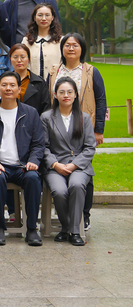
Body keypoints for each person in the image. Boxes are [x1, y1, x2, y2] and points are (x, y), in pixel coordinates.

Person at [48, 33, 107, 229]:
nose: (71, 48)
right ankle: (66, 215)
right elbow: (48, 99)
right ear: (62, 49)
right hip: (58, 125)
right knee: (61, 171)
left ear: (82, 48)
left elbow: (101, 100)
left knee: (84, 170)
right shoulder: (54, 71)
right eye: (67, 45)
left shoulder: (91, 71)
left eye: (75, 45)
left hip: (84, 126)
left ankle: (84, 214)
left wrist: (99, 130)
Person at [0, 71, 46, 246]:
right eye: (4, 85)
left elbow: (39, 144)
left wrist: (33, 161)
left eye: (12, 85)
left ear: (19, 89)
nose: (8, 89)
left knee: (33, 178)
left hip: (23, 166)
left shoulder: (31, 113)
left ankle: (31, 229)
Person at [41, 77, 96, 246]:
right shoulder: (46, 117)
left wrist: (74, 165)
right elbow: (43, 147)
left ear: (75, 95)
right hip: (55, 165)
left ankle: (74, 232)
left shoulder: (84, 118)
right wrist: (55, 164)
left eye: (70, 92)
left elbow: (90, 147)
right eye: (62, 92)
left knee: (77, 185)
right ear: (55, 95)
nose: (66, 95)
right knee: (59, 190)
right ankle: (66, 227)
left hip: (79, 165)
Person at [22, 3, 63, 79]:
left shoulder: (61, 41)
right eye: (40, 15)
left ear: (52, 17)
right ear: (34, 17)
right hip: (31, 83)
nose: (44, 18)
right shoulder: (26, 41)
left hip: (55, 83)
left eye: (47, 15)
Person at [9, 43, 50, 115]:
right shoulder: (5, 81)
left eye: (23, 57)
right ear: (10, 59)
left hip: (33, 120)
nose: (19, 60)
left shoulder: (39, 82)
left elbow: (46, 108)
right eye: (15, 57)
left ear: (28, 59)